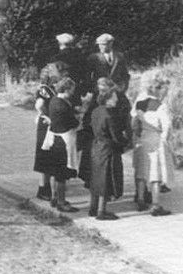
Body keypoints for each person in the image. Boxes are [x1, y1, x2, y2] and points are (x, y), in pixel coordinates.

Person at [87, 77, 131, 220]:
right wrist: (126, 143)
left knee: (95, 178)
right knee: (106, 180)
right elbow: (116, 136)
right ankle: (101, 211)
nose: (116, 99)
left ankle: (92, 208)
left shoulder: (96, 111)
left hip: (96, 146)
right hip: (108, 149)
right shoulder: (110, 115)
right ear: (107, 99)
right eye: (113, 97)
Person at [132, 70, 174, 216]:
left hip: (142, 139)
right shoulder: (160, 106)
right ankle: (156, 205)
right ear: (156, 90)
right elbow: (166, 126)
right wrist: (165, 140)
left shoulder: (139, 105)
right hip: (155, 140)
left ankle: (141, 199)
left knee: (141, 170)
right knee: (155, 173)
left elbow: (134, 122)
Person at [79, 77, 131, 188]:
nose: (101, 93)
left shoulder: (119, 98)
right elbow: (89, 115)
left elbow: (125, 118)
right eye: (99, 90)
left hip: (110, 136)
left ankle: (106, 191)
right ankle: (91, 183)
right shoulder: (97, 98)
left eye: (103, 90)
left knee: (109, 169)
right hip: (95, 135)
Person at [45, 77, 80, 212]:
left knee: (56, 172)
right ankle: (61, 201)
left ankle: (54, 197)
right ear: (66, 89)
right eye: (71, 89)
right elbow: (73, 123)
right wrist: (78, 120)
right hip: (63, 140)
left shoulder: (54, 100)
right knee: (62, 173)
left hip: (54, 138)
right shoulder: (63, 105)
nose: (73, 92)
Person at [33, 62, 66, 201]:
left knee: (46, 155)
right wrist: (44, 115)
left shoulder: (49, 88)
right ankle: (44, 189)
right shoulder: (45, 89)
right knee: (45, 155)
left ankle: (45, 188)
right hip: (47, 124)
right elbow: (39, 104)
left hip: (47, 123)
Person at [52, 33, 89, 97]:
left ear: (60, 44)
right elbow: (85, 73)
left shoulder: (57, 58)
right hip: (76, 89)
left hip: (61, 89)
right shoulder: (80, 56)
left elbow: (54, 75)